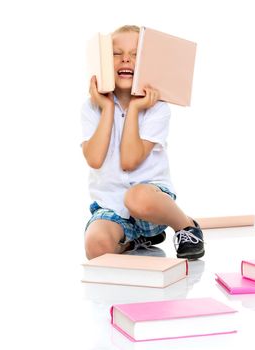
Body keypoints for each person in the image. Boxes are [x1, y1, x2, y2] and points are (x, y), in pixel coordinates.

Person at [81, 25, 204, 260]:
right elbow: (94, 159)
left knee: (136, 197)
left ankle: (186, 227)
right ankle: (131, 241)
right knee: (96, 248)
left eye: (136, 54)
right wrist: (107, 108)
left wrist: (136, 107)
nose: (126, 59)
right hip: (111, 208)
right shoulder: (90, 108)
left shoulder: (158, 109)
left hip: (150, 204)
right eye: (116, 54)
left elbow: (129, 160)